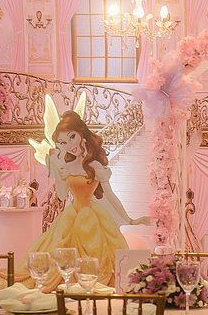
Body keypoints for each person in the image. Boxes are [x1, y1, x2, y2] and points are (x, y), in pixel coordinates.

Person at [21, 112, 131, 287]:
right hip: (70, 216)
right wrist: (57, 172)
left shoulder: (95, 167)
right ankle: (64, 285)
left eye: (72, 137)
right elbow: (62, 195)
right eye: (63, 142)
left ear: (82, 134)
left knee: (98, 251)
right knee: (56, 248)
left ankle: (89, 284)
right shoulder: (66, 166)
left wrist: (129, 219)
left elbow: (110, 195)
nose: (70, 145)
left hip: (92, 216)